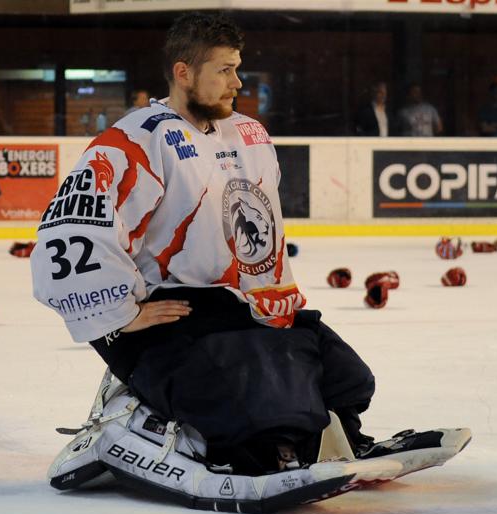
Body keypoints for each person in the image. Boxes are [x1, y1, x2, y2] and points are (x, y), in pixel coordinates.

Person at [31, 12, 425, 476]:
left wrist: (279, 302)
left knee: (345, 378)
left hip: (237, 306)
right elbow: (69, 232)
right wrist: (120, 314)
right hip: (171, 313)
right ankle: (158, 426)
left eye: (237, 67)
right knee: (250, 399)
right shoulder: (134, 141)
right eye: (224, 69)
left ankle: (318, 437)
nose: (237, 81)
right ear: (183, 72)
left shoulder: (249, 135)